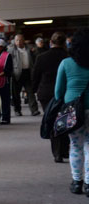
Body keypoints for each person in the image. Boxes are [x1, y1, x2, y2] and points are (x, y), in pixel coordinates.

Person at [55, 29, 89, 194]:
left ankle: (77, 182)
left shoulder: (66, 63)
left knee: (75, 145)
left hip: (72, 111)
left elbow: (57, 92)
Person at [32, 32, 69, 162]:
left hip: (46, 93)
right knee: (65, 120)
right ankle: (65, 150)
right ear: (64, 43)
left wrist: (33, 91)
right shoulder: (69, 57)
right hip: (66, 93)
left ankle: (57, 153)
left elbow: (35, 77)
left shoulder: (42, 57)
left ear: (50, 43)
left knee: (52, 120)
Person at [8, 33, 39, 117]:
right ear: (14, 41)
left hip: (28, 72)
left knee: (30, 92)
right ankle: (17, 110)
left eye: (21, 40)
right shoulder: (11, 50)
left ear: (24, 40)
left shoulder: (29, 48)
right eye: (17, 40)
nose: (19, 42)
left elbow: (36, 55)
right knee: (16, 94)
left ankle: (34, 110)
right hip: (17, 74)